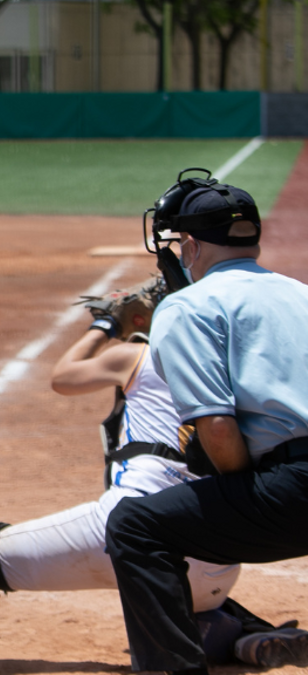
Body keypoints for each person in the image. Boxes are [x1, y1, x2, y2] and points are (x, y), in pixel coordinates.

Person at [0, 276, 303, 675]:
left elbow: (64, 376)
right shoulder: (239, 368)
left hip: (126, 531)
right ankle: (247, 639)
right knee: (179, 594)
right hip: (219, 554)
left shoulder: (136, 355)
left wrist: (109, 324)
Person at [106, 173, 308, 673]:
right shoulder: (301, 294)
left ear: (191, 245)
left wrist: (235, 489)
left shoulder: (186, 306)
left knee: (136, 526)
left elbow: (216, 428)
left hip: (294, 493)